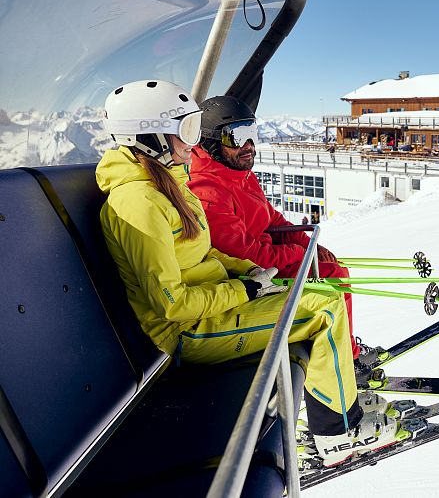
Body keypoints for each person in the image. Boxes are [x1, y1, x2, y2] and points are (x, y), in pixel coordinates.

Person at [96, 80, 405, 466]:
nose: (191, 144)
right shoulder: (137, 204)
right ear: (150, 137)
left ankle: (337, 390)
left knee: (318, 296)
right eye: (185, 131)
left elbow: (208, 252)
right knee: (322, 310)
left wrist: (256, 273)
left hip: (215, 306)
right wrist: (245, 290)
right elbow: (171, 305)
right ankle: (337, 433)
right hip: (188, 333)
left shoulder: (168, 186)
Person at [187, 96, 381, 363]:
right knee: (334, 277)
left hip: (271, 259)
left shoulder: (238, 172)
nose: (249, 146)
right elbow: (245, 254)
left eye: (251, 133)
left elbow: (272, 219)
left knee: (335, 267)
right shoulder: (207, 191)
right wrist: (298, 254)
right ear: (210, 143)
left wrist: (309, 246)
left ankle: (343, 348)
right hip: (254, 275)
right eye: (236, 136)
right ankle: (348, 358)